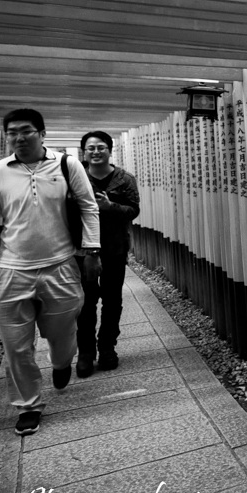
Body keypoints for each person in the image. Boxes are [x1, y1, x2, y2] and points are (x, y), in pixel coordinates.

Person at [0, 108, 101, 436]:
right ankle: (28, 405)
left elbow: (88, 206)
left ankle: (60, 362)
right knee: (16, 345)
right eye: (12, 132)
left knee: (62, 334)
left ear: (42, 133)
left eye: (26, 131)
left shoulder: (68, 166)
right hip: (12, 270)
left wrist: (92, 250)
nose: (19, 138)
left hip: (61, 267)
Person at [75, 130, 140, 378]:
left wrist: (109, 206)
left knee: (112, 300)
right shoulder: (75, 177)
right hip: (83, 250)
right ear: (84, 151)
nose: (95, 151)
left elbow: (133, 210)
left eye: (101, 147)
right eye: (90, 147)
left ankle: (107, 348)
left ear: (109, 150)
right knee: (85, 302)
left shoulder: (125, 179)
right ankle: (85, 353)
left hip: (114, 248)